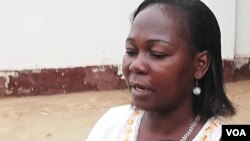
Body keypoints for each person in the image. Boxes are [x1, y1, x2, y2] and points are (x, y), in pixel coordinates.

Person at [86, 0, 236, 141]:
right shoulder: (111, 124)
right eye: (131, 51)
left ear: (200, 65)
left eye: (158, 54)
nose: (136, 65)